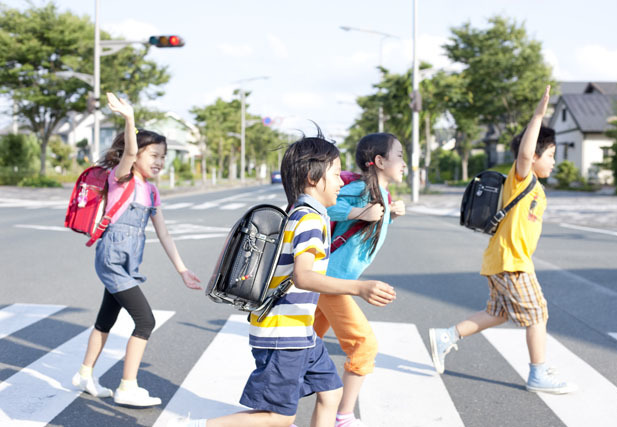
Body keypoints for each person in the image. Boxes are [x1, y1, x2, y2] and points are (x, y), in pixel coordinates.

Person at [173, 131, 396, 427]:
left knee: (331, 392)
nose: (342, 181)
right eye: (335, 173)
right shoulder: (309, 219)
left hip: (300, 332)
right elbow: (303, 276)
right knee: (279, 416)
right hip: (283, 336)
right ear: (313, 178)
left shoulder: (306, 212)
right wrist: (359, 287)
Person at [428, 86, 577, 394]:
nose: (553, 161)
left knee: (498, 313)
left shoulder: (537, 187)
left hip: (504, 260)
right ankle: (538, 373)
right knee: (538, 313)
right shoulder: (522, 176)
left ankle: (447, 336)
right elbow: (525, 152)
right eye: (549, 155)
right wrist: (539, 114)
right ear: (533, 156)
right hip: (512, 262)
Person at [71, 92, 202, 406]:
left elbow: (165, 234)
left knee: (107, 318)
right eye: (153, 155)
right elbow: (129, 149)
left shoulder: (152, 193)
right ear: (137, 156)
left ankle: (84, 374)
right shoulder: (123, 178)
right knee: (145, 321)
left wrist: (182, 270)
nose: (159, 162)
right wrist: (129, 118)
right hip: (113, 259)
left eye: (162, 157)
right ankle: (128, 387)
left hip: (127, 262)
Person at [313, 132, 406, 427]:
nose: (404, 163)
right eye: (400, 156)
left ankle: (280, 410)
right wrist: (360, 211)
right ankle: (343, 416)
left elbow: (370, 222)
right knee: (363, 346)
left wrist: (390, 212)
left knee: (303, 345)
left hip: (331, 280)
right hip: (332, 282)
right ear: (379, 161)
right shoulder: (360, 190)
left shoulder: (381, 195)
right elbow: (325, 205)